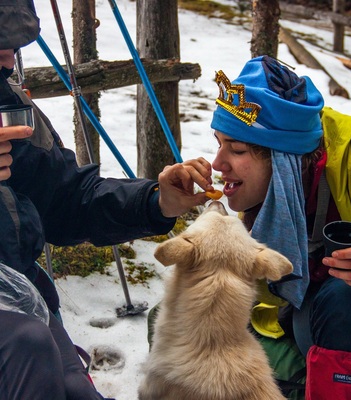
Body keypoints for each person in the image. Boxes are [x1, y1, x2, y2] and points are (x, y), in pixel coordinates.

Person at [0, 1, 213, 399]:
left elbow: (68, 200)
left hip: (24, 303)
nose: (9, 57)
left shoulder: (10, 108)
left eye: (14, 43)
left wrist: (156, 201)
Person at [180, 55, 351, 399]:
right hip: (317, 324)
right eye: (219, 142)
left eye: (236, 150)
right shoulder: (277, 189)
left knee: (349, 298)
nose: (218, 163)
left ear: (284, 159)